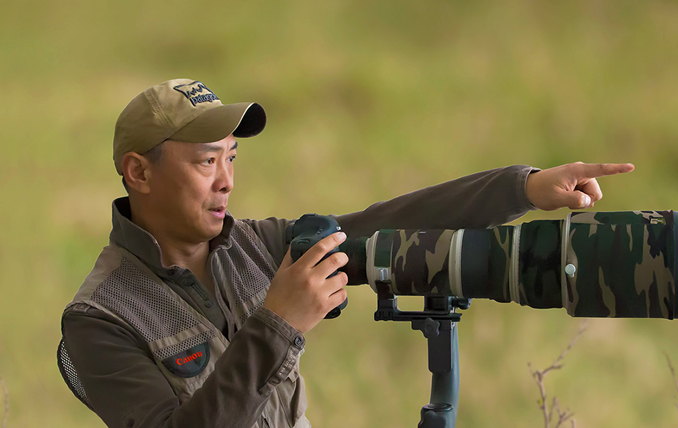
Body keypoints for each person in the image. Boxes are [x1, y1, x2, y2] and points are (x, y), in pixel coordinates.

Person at [58, 78, 635, 428]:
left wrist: (522, 189)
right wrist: (278, 323)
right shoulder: (101, 319)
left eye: (232, 157)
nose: (227, 180)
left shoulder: (255, 246)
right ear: (139, 173)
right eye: (208, 161)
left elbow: (390, 224)